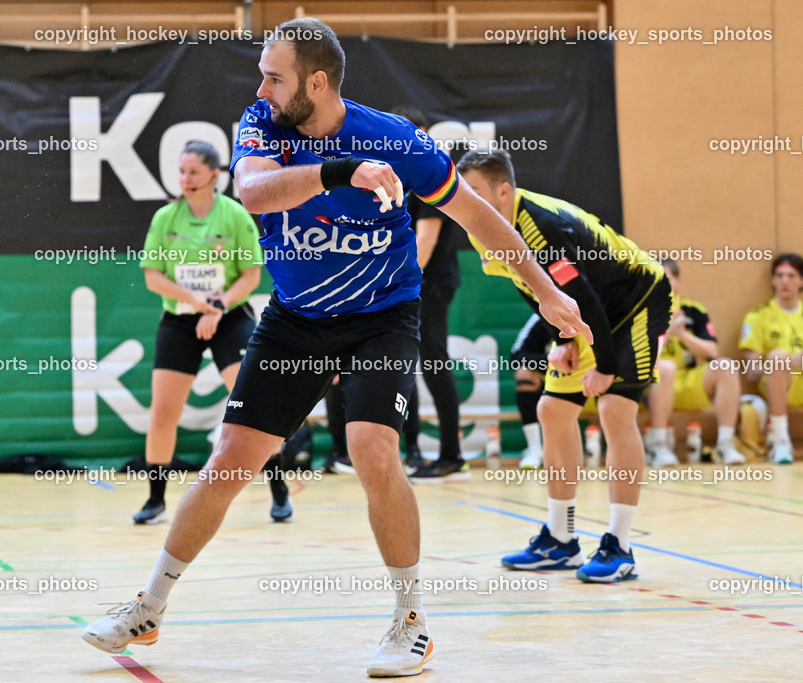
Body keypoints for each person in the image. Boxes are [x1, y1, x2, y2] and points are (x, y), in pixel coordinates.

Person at [82, 19, 589, 677]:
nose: (260, 85)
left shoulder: (394, 139)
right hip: (296, 319)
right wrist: (342, 171)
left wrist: (545, 289)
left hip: (382, 317)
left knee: (372, 447)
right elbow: (255, 191)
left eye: (274, 75)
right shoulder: (262, 123)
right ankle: (150, 604)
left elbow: (476, 214)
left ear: (316, 82)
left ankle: (411, 623)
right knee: (230, 457)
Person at [459, 148, 672, 583]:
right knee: (552, 410)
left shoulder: (541, 228)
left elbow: (587, 297)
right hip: (588, 310)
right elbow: (530, 287)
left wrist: (606, 367)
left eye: (474, 191)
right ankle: (561, 539)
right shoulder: (481, 227)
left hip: (637, 300)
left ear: (503, 191)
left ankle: (620, 547)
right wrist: (563, 336)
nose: (465, 200)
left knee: (615, 409)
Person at [132, 140, 292, 525]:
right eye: (181, 172)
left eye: (193, 172)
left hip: (230, 318)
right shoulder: (165, 218)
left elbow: (252, 275)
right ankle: (155, 499)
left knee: (255, 408)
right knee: (163, 413)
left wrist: (217, 307)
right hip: (180, 320)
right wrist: (196, 301)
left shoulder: (235, 216)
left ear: (214, 176)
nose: (185, 179)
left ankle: (278, 489)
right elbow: (153, 277)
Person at [385, 106, 467, 482]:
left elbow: (426, 241)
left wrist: (396, 283)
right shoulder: (397, 174)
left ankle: (451, 454)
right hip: (413, 282)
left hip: (429, 283)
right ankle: (414, 449)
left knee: (434, 361)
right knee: (408, 363)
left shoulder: (429, 173)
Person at [645, 259, 747, 466]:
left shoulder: (693, 310)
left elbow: (712, 351)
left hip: (687, 381)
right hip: (651, 383)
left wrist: (682, 335)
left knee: (726, 366)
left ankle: (726, 443)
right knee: (666, 367)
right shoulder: (640, 311)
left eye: (667, 278)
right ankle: (658, 445)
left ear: (677, 281)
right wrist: (664, 335)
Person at [739, 253, 803, 464]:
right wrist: (784, 363)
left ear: (801, 281)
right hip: (780, 383)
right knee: (778, 357)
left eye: (791, 276)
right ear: (773, 280)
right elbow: (751, 373)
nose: (785, 281)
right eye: (780, 275)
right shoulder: (757, 316)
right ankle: (780, 440)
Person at [510, 313, 552, 469]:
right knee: (524, 373)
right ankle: (535, 450)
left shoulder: (594, 309)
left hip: (590, 382)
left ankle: (611, 449)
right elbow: (516, 357)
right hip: (557, 381)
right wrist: (552, 360)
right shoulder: (543, 313)